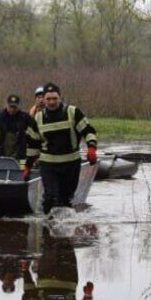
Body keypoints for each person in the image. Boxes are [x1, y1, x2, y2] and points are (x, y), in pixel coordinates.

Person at [23, 83, 98, 214]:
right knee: (50, 199)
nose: (52, 102)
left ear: (60, 98)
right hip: (49, 165)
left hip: (71, 164)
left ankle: (65, 230)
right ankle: (46, 230)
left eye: (54, 98)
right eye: (48, 99)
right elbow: (32, 145)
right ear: (44, 100)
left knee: (65, 200)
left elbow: (88, 131)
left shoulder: (73, 112)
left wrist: (91, 148)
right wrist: (27, 166)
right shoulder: (38, 118)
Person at [0, 93, 34, 161]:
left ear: (18, 106)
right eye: (10, 107)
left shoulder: (26, 118)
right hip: (0, 155)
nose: (12, 109)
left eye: (14, 107)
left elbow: (34, 137)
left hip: (20, 157)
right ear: (7, 105)